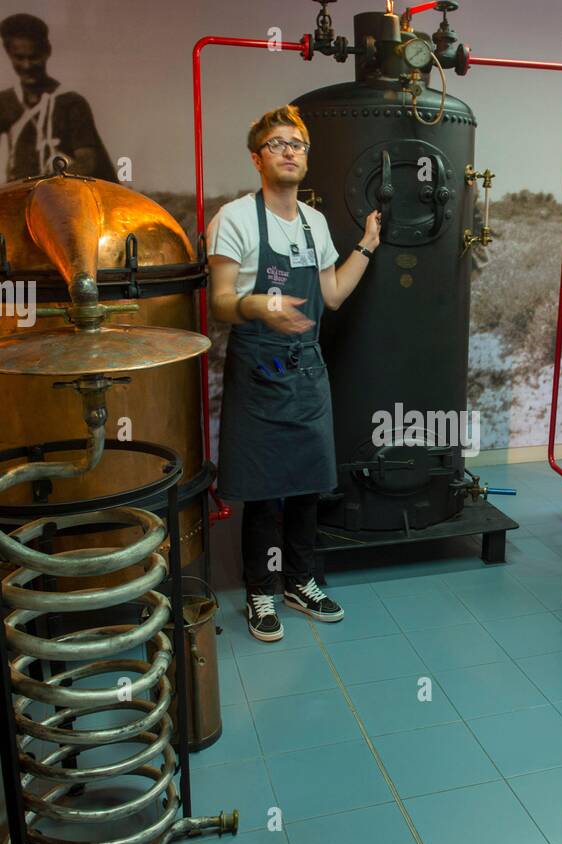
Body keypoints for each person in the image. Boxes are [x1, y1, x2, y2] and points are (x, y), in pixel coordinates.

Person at [207, 105, 381, 642]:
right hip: (259, 371)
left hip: (306, 370)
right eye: (278, 144)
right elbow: (219, 303)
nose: (289, 151)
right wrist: (259, 305)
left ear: (306, 157)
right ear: (257, 157)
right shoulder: (234, 219)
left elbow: (329, 295)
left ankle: (299, 581)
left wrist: (368, 244)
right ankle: (261, 589)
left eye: (298, 144)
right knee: (263, 489)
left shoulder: (314, 223)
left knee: (306, 484)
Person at [0, 13, 117, 191]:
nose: (27, 65)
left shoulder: (71, 103)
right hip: (19, 202)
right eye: (19, 58)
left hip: (63, 200)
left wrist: (51, 189)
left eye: (34, 57)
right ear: (9, 54)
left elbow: (87, 160)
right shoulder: (3, 103)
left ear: (47, 52)